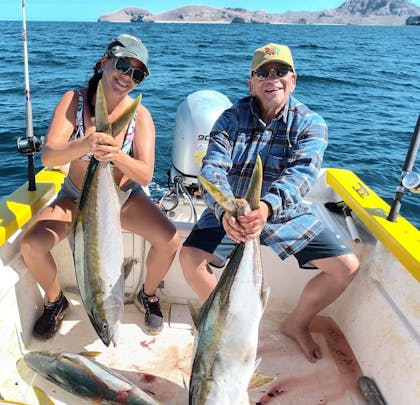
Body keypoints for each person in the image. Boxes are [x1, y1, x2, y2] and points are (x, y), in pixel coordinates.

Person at [179, 43, 359, 363]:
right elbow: (212, 170)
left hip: (282, 212)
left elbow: (301, 175)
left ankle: (296, 324)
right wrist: (224, 212)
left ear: (293, 79)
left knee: (345, 268)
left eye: (280, 71)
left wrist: (266, 208)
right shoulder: (230, 118)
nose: (271, 78)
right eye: (262, 72)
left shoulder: (310, 123)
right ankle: (222, 321)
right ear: (251, 83)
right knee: (190, 259)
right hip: (233, 211)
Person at [21, 34, 179, 340]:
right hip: (76, 197)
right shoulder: (75, 101)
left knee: (170, 240)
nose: (127, 77)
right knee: (32, 244)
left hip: (124, 198)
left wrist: (116, 155)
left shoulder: (141, 116)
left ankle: (148, 295)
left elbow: (145, 175)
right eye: (122, 65)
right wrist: (85, 143)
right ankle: (55, 301)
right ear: (104, 62)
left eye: (137, 74)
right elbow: (49, 156)